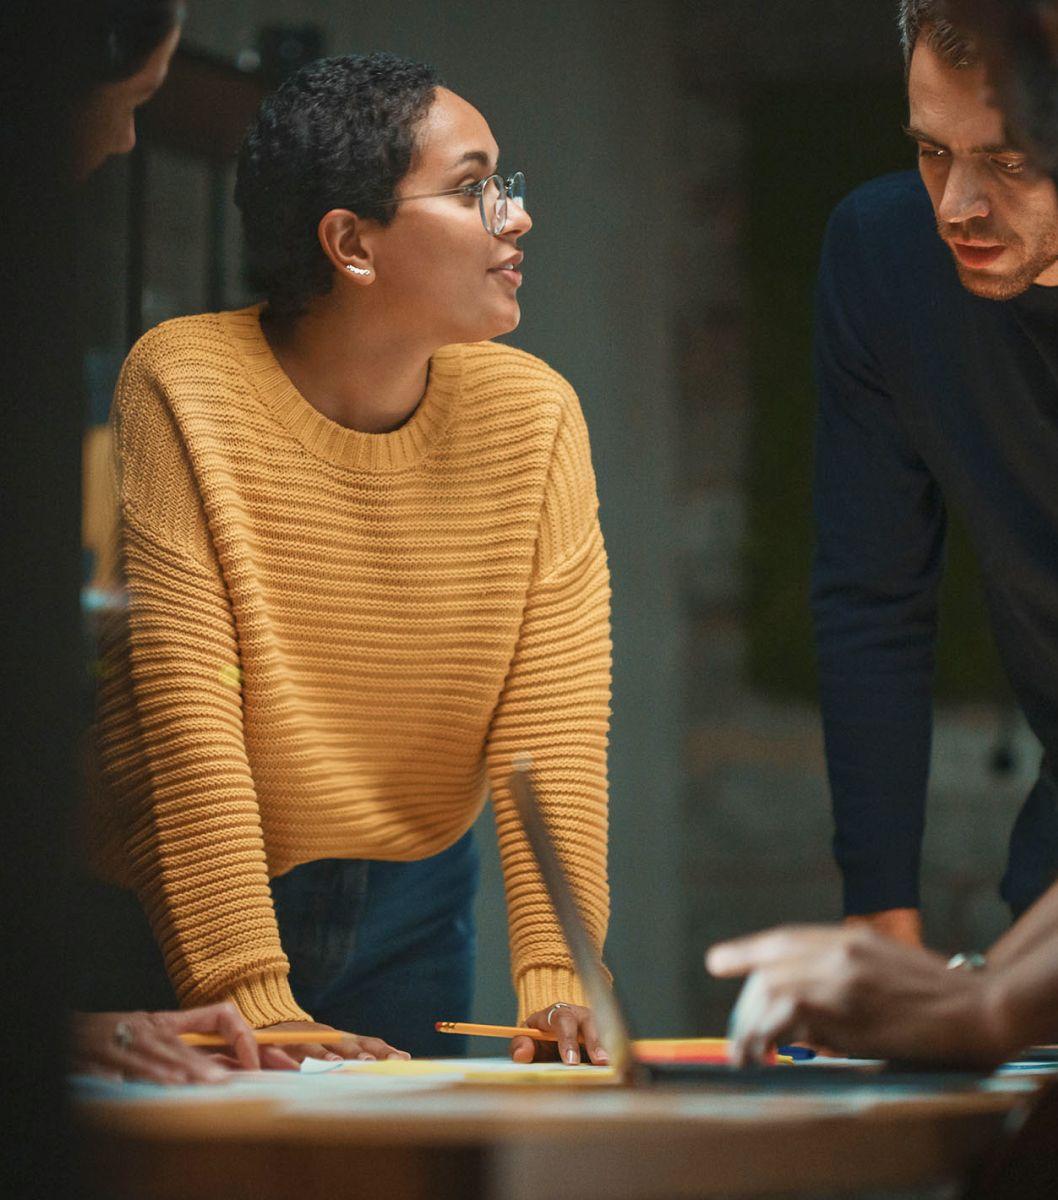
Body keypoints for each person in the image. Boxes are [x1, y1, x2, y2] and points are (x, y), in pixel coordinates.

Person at [83, 51, 612, 1068]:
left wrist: (559, 982)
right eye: (471, 189)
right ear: (350, 243)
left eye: (503, 184)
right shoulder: (184, 383)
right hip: (178, 895)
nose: (515, 217)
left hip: (409, 900)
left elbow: (552, 721)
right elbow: (181, 713)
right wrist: (251, 995)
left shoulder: (534, 414)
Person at [708, 0, 1058, 1065]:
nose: (958, 202)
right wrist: (882, 926)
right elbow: (871, 596)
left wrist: (988, 1004)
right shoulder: (880, 258)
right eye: (929, 151)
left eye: (1003, 159)